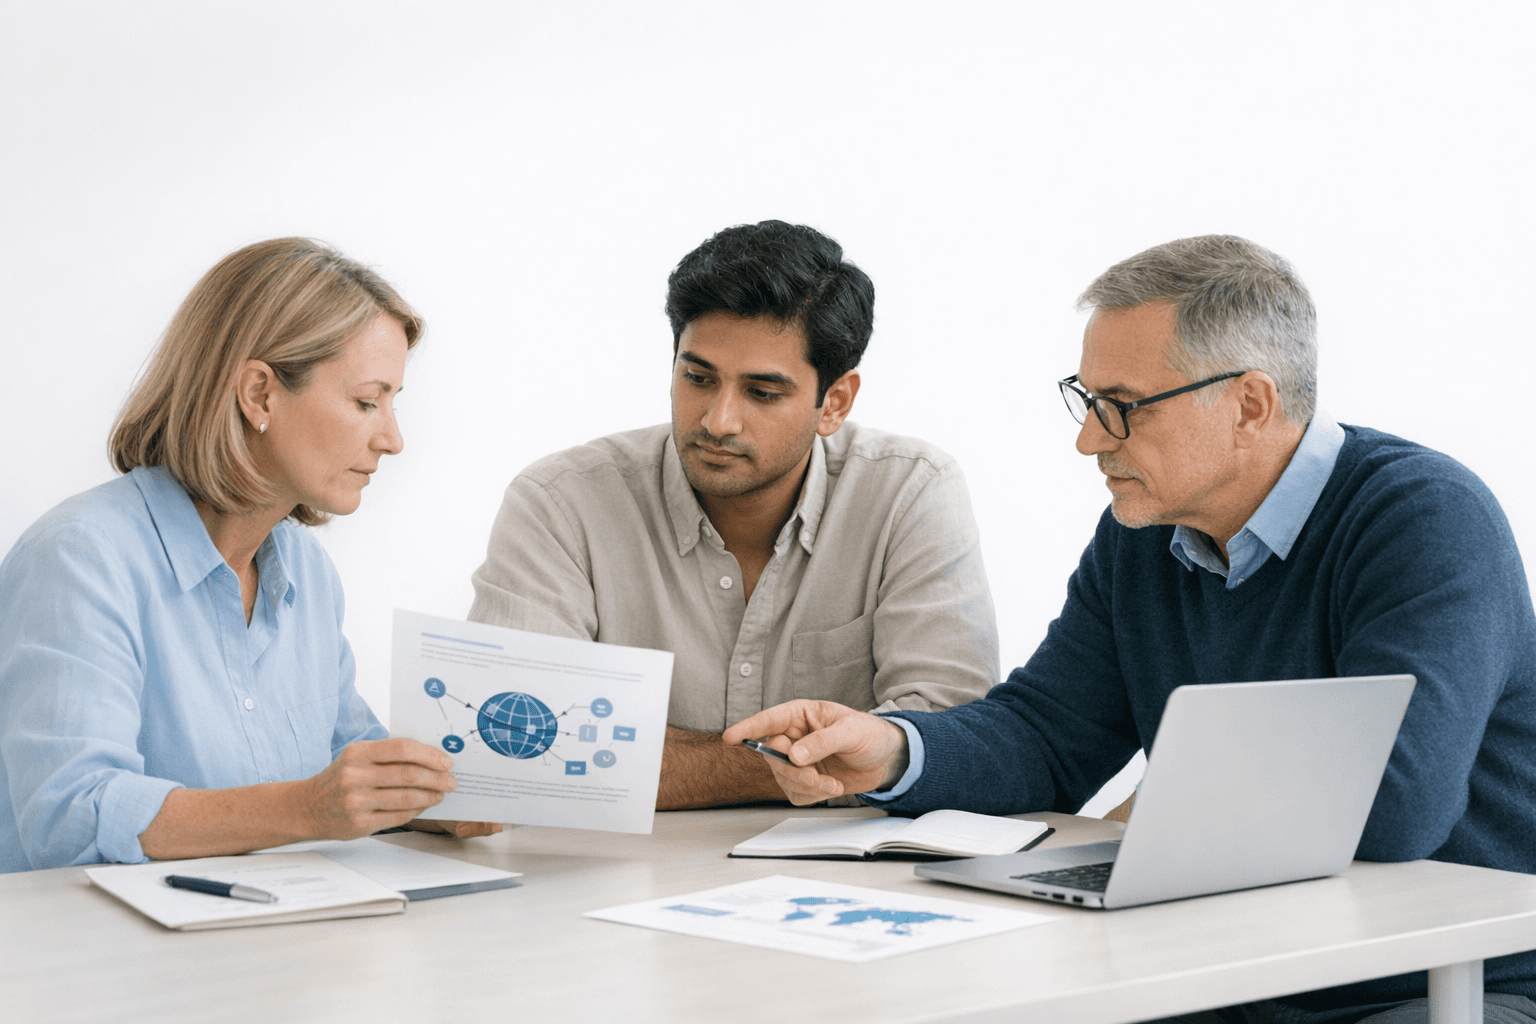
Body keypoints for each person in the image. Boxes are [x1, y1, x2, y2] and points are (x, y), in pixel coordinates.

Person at [723, 235, 1536, 1021]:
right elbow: (1048, 738)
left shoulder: (1422, 519)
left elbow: (1397, 805)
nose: (1087, 441)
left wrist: (1163, 797)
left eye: (1121, 409)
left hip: (1431, 982)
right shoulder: (1143, 531)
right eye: (1085, 401)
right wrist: (894, 751)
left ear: (1250, 404)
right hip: (1223, 970)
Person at [0, 237, 498, 873]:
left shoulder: (306, 573)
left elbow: (351, 764)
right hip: (101, 959)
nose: (392, 439)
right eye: (367, 401)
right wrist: (307, 809)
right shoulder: (80, 557)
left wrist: (434, 796)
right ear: (260, 394)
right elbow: (72, 814)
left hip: (260, 948)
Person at [469, 220, 999, 810]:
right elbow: (517, 746)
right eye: (697, 378)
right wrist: (807, 763)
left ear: (836, 402)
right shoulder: (560, 502)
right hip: (609, 881)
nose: (718, 420)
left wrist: (630, 759)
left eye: (762, 393)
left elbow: (948, 741)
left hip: (847, 885)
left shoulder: (910, 491)